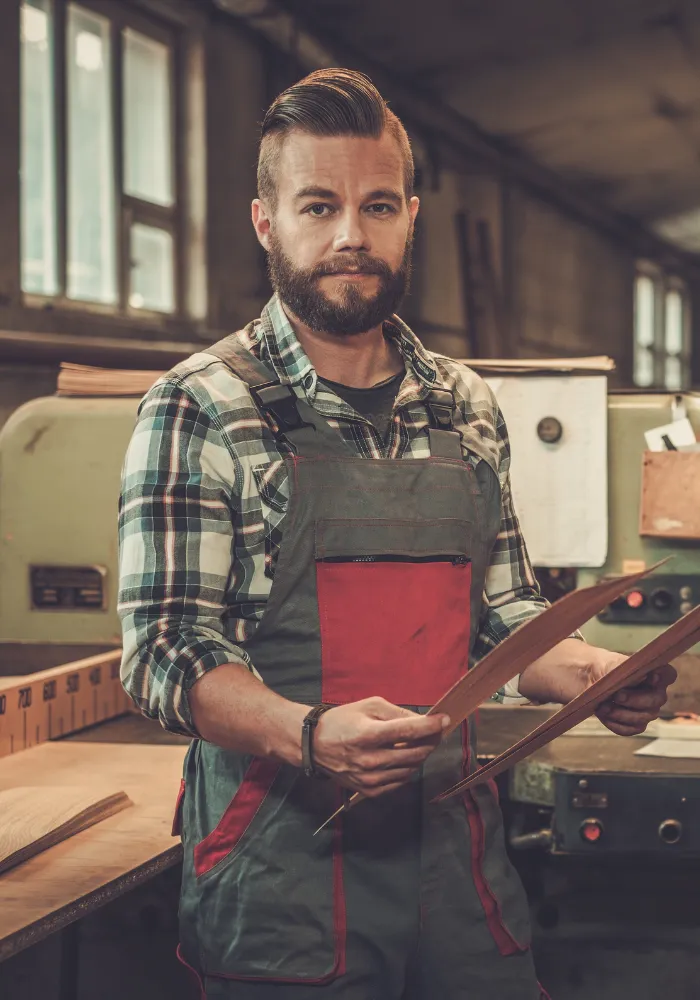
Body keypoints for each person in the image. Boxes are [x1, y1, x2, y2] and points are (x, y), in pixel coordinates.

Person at [118, 69, 675, 999]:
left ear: (410, 215)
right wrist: (307, 732)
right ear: (267, 221)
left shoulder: (466, 405)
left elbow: (502, 611)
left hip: (458, 869)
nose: (350, 235)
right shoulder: (199, 406)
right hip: (277, 874)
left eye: (378, 205)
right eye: (318, 205)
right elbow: (164, 653)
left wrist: (588, 675)